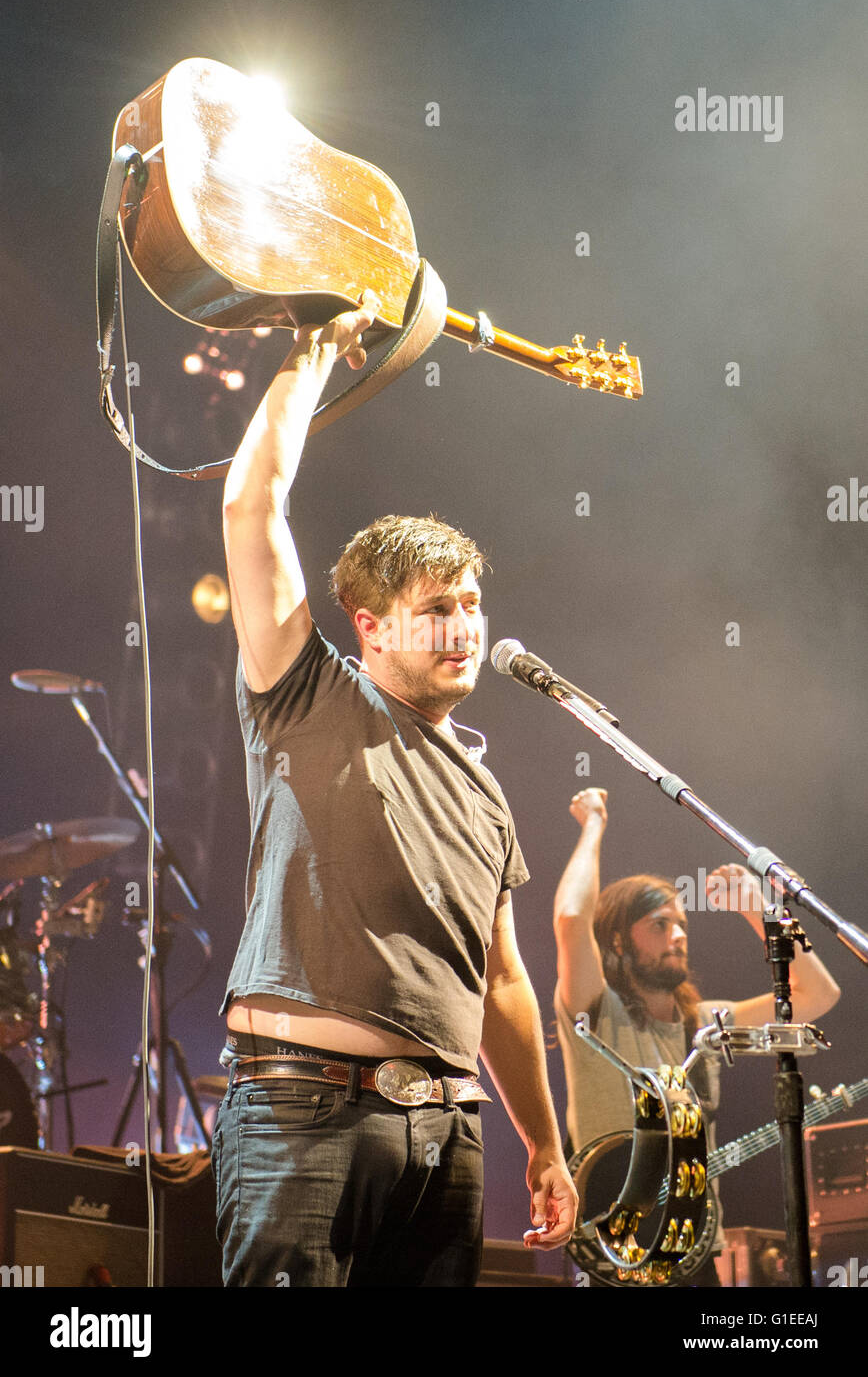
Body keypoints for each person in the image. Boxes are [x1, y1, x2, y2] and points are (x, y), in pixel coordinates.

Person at [212, 293, 577, 1286]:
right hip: (302, 1117)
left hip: (448, 1138)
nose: (462, 625)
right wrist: (312, 351)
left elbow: (501, 981)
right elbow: (252, 505)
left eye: (470, 603)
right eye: (434, 608)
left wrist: (544, 1142)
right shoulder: (307, 693)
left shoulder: (486, 792)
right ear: (367, 624)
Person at [553, 787, 840, 1285]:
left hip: (692, 1249)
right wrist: (594, 823)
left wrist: (760, 908)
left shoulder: (705, 1023)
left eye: (682, 925)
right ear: (619, 939)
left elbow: (817, 994)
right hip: (611, 1250)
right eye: (660, 925)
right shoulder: (599, 1010)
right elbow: (573, 919)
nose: (679, 935)